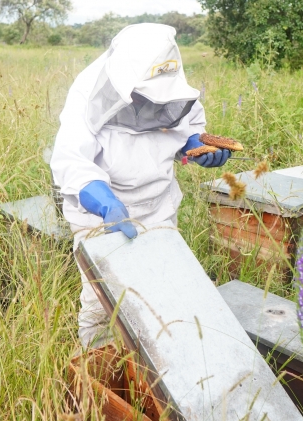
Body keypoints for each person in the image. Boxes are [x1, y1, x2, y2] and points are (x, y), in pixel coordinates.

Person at [50, 23, 231, 347]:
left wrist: (194, 147)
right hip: (102, 218)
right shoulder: (88, 90)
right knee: (101, 302)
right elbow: (70, 160)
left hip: (159, 208)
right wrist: (105, 203)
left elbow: (184, 130)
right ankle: (98, 373)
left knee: (162, 292)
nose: (152, 107)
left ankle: (157, 368)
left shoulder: (172, 84)